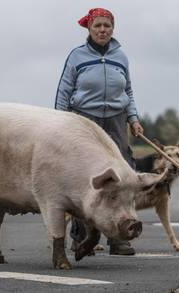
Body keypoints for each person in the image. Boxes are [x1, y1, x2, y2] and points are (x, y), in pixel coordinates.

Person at [54, 8, 144, 255]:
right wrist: (60, 123)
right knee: (83, 180)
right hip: (85, 120)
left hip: (116, 120)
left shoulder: (121, 57)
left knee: (123, 177)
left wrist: (133, 118)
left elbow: (129, 92)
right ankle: (81, 237)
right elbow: (64, 91)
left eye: (107, 26)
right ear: (89, 29)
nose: (103, 30)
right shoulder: (77, 56)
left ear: (112, 28)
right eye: (98, 26)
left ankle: (119, 238)